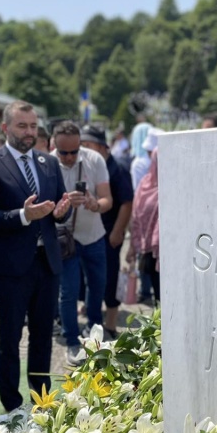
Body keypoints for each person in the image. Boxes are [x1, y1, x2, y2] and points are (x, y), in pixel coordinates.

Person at [0, 100, 71, 412]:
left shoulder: (48, 162)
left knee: (43, 337)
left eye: (32, 126)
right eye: (22, 126)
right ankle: (12, 406)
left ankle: (41, 401)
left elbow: (53, 208)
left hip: (47, 262)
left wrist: (58, 213)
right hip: (11, 267)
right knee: (10, 338)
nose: (29, 132)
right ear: (5, 128)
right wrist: (23, 216)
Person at [52, 121, 112, 365]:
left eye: (74, 151)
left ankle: (95, 330)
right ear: (53, 145)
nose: (68, 157)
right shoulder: (46, 162)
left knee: (98, 286)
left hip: (94, 235)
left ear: (80, 146)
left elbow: (108, 199)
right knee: (68, 291)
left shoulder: (94, 159)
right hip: (64, 238)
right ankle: (72, 340)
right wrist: (62, 206)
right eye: (63, 152)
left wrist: (93, 203)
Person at [80, 125, 133, 338]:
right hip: (88, 232)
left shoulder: (117, 168)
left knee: (109, 277)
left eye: (89, 145)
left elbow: (127, 202)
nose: (85, 149)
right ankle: (90, 311)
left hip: (109, 232)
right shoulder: (87, 165)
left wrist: (118, 231)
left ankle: (111, 324)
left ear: (103, 147)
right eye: (82, 144)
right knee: (89, 276)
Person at [128, 147, 161, 303]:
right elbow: (136, 215)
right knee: (159, 297)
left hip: (172, 251)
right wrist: (133, 248)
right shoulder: (145, 184)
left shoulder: (181, 184)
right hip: (150, 250)